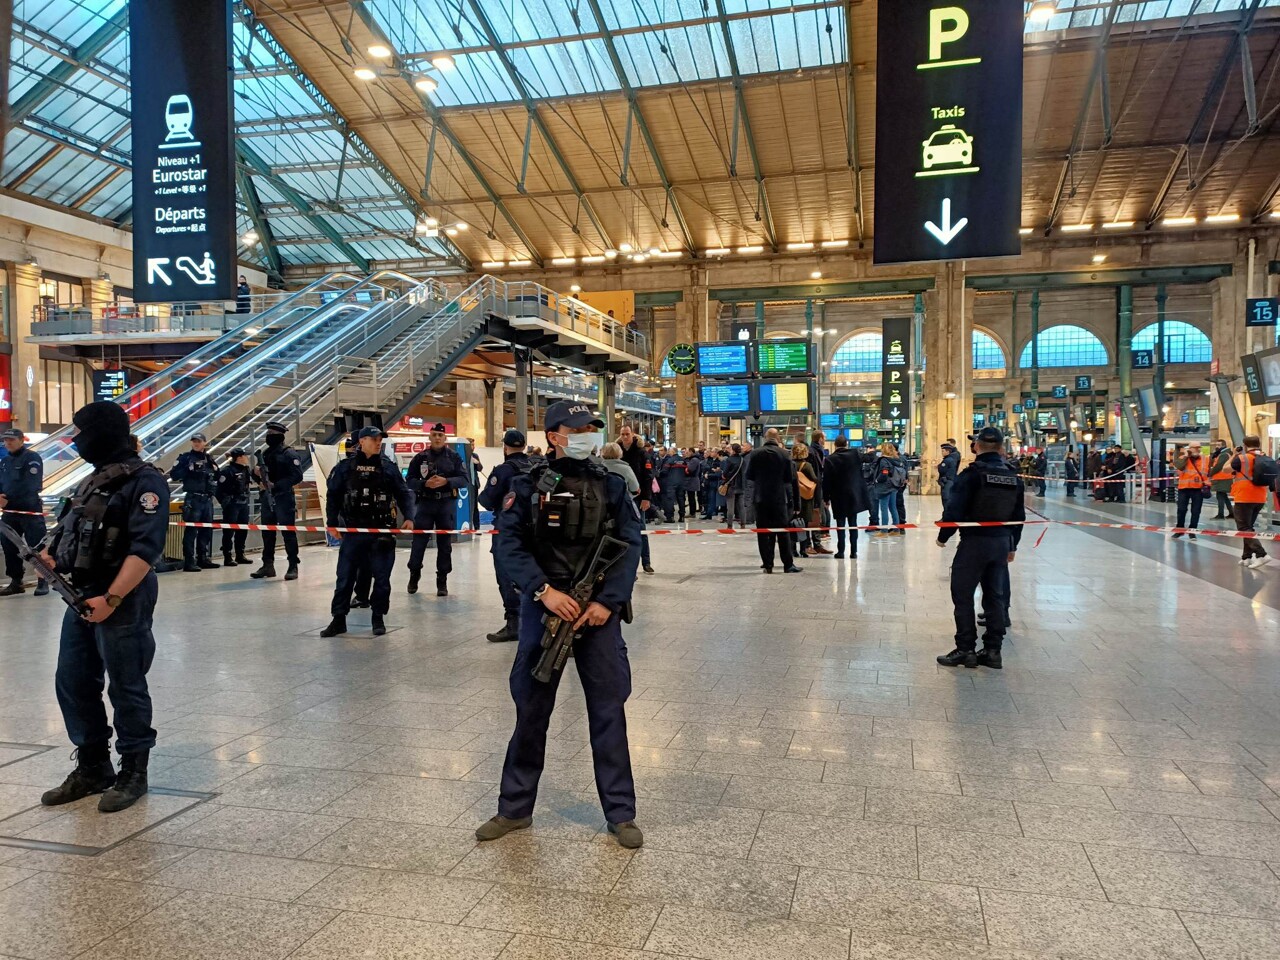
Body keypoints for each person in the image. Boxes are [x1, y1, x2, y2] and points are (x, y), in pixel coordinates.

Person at [476, 401, 643, 849]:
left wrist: (608, 601)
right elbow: (509, 544)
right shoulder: (526, 486)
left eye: (591, 427)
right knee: (531, 710)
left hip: (597, 613)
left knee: (608, 711)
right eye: (577, 428)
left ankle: (621, 813)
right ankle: (514, 808)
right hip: (545, 608)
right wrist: (542, 591)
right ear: (553, 435)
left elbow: (630, 544)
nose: (586, 434)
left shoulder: (611, 484)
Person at [39, 401, 169, 813]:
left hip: (122, 597)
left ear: (102, 433)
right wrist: (50, 557)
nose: (77, 442)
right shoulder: (92, 481)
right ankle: (94, 764)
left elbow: (145, 551)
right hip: (80, 595)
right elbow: (72, 534)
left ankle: (133, 769)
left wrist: (111, 598)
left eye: (81, 433)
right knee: (73, 680)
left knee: (126, 683)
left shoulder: (145, 482)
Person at [936, 427, 1025, 670]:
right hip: (1001, 543)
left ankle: (966, 649)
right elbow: (1019, 515)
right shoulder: (1013, 475)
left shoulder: (972, 474)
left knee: (962, 594)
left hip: (974, 543)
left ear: (977, 446)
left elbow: (955, 509)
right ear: (1000, 447)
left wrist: (943, 535)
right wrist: (1012, 545)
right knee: (995, 596)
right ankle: (993, 650)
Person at [321, 426, 413, 638]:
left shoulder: (388, 468)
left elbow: (403, 493)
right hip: (353, 531)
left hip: (381, 531)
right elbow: (333, 495)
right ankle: (338, 619)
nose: (378, 442)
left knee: (382, 579)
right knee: (344, 578)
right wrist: (332, 523)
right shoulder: (345, 467)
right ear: (361, 441)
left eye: (380, 439)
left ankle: (378, 617)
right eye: (373, 439)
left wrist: (409, 517)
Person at [479, 429, 534, 642]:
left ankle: (514, 624)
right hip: (533, 531)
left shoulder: (503, 470)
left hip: (508, 531)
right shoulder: (535, 466)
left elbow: (486, 500)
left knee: (506, 577)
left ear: (505, 446)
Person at [406, 423, 467, 596]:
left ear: (445, 438)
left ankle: (442, 581)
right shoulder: (420, 458)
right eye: (434, 435)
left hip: (445, 504)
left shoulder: (454, 457)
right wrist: (424, 484)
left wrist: (446, 482)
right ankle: (414, 574)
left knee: (445, 545)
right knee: (418, 543)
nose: (437, 438)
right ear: (429, 437)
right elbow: (409, 480)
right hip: (425, 504)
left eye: (440, 435)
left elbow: (464, 479)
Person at [250, 421, 304, 581]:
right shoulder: (266, 454)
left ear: (280, 436)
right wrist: (256, 473)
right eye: (267, 434)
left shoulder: (289, 454)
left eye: (272, 434)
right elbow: (259, 477)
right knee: (267, 533)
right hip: (267, 499)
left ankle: (293, 565)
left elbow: (297, 476)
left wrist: (277, 485)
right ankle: (268, 565)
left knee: (288, 533)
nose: (269, 437)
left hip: (284, 498)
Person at [744, 428, 801, 574]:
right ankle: (787, 564)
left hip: (761, 497)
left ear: (765, 437)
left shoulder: (755, 453)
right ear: (778, 438)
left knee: (762, 532)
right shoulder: (784, 454)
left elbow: (749, 475)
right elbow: (789, 478)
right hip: (779, 498)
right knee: (783, 532)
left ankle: (767, 564)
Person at [0, 428, 48, 597]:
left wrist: (9, 500)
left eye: (11, 440)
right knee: (8, 546)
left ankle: (44, 581)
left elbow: (32, 485)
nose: (8, 443)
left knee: (36, 546)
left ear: (22, 440)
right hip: (10, 512)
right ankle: (16, 581)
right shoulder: (5, 461)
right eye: (5, 440)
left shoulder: (32, 458)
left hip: (29, 511)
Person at [170, 432, 219, 572]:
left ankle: (202, 558)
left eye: (199, 441)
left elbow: (217, 473)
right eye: (194, 441)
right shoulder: (185, 458)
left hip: (207, 499)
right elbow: (174, 475)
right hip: (193, 498)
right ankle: (189, 561)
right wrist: (188, 469)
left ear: (205, 443)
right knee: (191, 530)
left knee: (206, 530)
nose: (196, 443)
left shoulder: (209, 459)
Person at [823, 434, 871, 559]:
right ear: (846, 444)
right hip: (853, 494)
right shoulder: (855, 454)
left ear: (835, 445)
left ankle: (840, 551)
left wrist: (826, 498)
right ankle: (854, 551)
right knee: (853, 523)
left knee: (840, 524)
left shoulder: (829, 459)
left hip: (838, 495)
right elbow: (869, 458)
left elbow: (826, 480)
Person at [1230, 435, 1271, 569]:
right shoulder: (1265, 457)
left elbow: (1225, 469)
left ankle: (1261, 555)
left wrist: (1234, 454)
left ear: (1245, 445)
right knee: (1248, 527)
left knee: (1243, 528)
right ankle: (1246, 557)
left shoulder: (1242, 458)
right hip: (1260, 497)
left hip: (1244, 497)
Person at [617, 425, 654, 574]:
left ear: (632, 435)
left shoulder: (641, 453)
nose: (625, 437)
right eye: (622, 434)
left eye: (627, 434)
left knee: (641, 530)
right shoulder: (616, 451)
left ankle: (646, 562)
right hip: (620, 497)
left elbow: (648, 477)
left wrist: (646, 498)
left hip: (638, 497)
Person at [215, 448, 253, 567]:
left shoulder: (245, 470)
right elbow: (219, 490)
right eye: (245, 456)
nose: (247, 458)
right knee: (229, 531)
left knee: (242, 530)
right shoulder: (228, 471)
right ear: (239, 457)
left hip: (243, 503)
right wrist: (226, 503)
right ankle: (227, 556)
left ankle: (240, 554)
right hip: (232, 504)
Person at [1172, 444, 1210, 539]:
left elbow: (1209, 471)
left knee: (1196, 511)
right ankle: (1179, 530)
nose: (1196, 450)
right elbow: (1179, 466)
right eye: (1194, 448)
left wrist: (1208, 482)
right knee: (1181, 509)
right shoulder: (1183, 458)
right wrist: (1186, 456)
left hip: (1198, 488)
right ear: (1189, 449)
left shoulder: (1205, 459)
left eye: (1198, 448)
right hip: (1184, 488)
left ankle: (1192, 531)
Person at [872, 442, 907, 538]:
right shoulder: (896, 459)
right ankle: (896, 529)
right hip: (894, 486)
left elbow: (884, 472)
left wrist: (877, 479)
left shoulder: (884, 460)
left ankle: (884, 530)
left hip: (885, 487)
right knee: (893, 507)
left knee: (884, 508)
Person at [791, 442, 818, 558]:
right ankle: (803, 549)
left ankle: (792, 549)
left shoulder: (790, 464)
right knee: (804, 524)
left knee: (792, 524)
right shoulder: (807, 466)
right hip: (806, 499)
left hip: (793, 497)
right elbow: (815, 479)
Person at [807, 432, 832, 554]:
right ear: (820, 438)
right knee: (810, 515)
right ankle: (807, 545)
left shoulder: (819, 451)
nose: (825, 439)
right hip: (811, 488)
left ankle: (817, 544)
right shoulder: (812, 452)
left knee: (818, 515)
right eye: (824, 437)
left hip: (818, 487)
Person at [722, 443, 747, 529]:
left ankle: (729, 525)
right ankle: (743, 524)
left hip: (731, 485)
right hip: (741, 485)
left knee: (730, 507)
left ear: (733, 450)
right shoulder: (742, 459)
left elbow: (725, 473)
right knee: (741, 506)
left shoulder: (729, 460)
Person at [1209, 439, 1234, 520]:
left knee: (1220, 496)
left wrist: (1210, 474)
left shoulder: (1223, 455)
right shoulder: (1227, 453)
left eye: (1219, 445)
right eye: (1216, 445)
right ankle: (1231, 513)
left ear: (1224, 445)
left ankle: (1220, 514)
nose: (1217, 446)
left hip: (1222, 478)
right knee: (1223, 496)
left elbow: (1218, 466)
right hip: (1225, 478)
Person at [681, 447, 701, 520]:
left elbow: (690, 469)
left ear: (691, 452)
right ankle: (691, 512)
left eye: (687, 452)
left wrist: (686, 466)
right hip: (689, 480)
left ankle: (692, 513)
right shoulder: (689, 459)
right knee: (690, 497)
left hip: (692, 480)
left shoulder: (694, 460)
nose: (686, 454)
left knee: (691, 497)